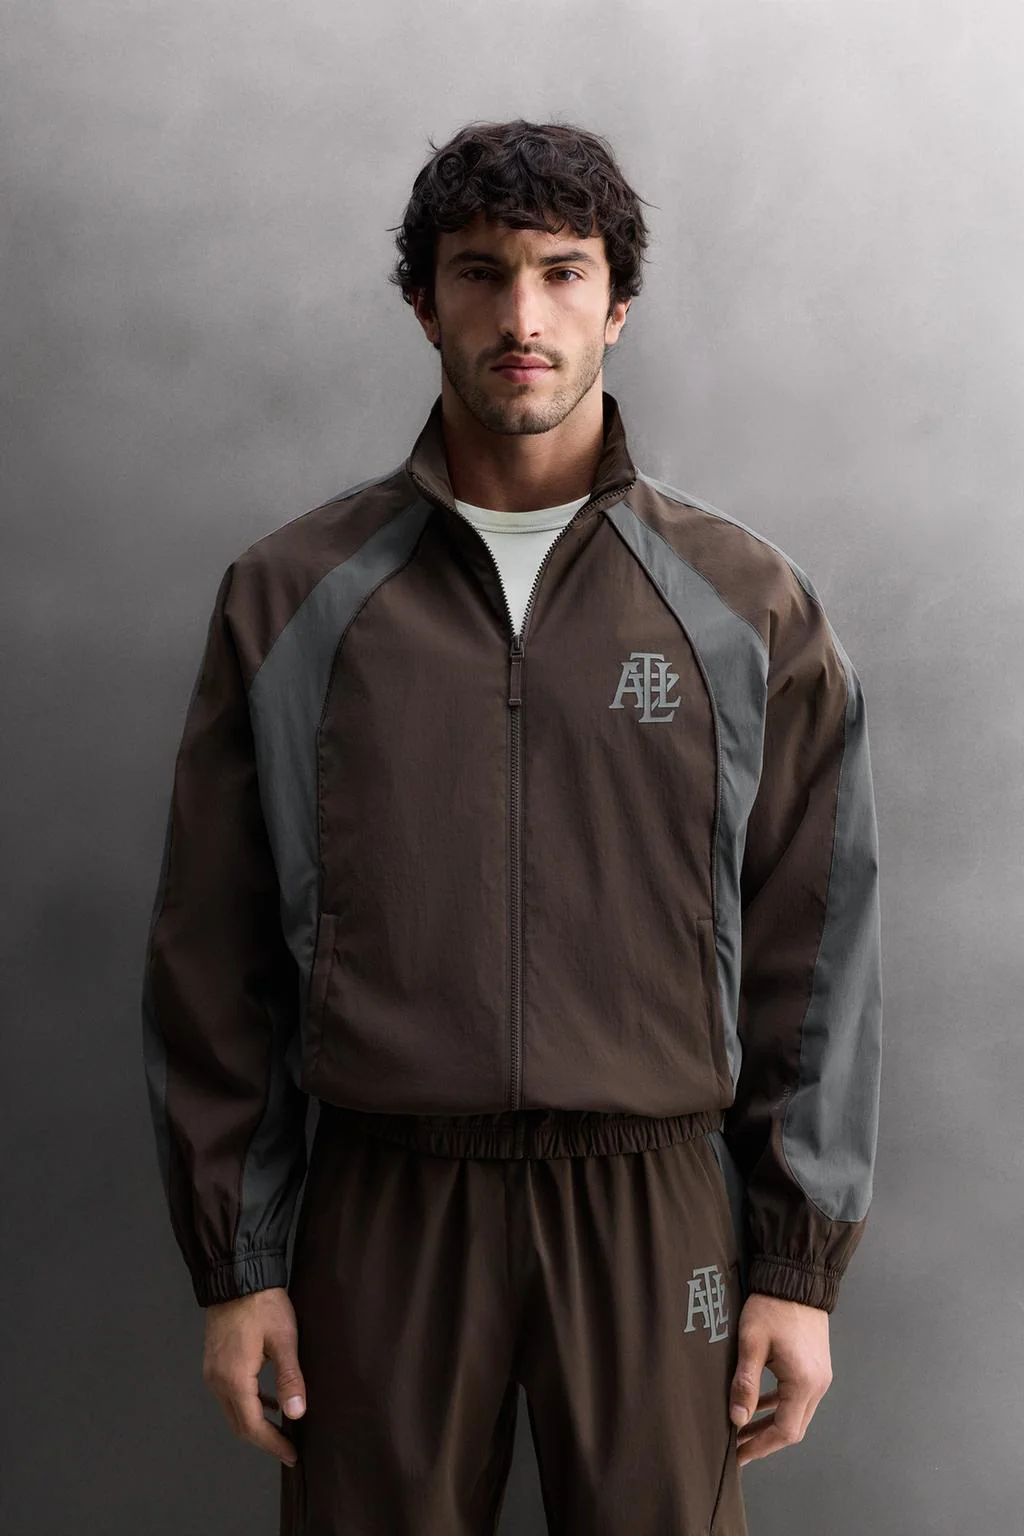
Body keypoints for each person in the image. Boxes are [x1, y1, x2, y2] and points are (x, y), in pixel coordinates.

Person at [141, 117, 883, 1536]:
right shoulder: (292, 598)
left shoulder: (748, 609)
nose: (523, 317)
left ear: (620, 304)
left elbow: (819, 947)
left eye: (562, 272)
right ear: (425, 304)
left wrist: (798, 1268)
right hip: (385, 1200)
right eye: (480, 273)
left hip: (654, 1199)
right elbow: (212, 949)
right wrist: (240, 1265)